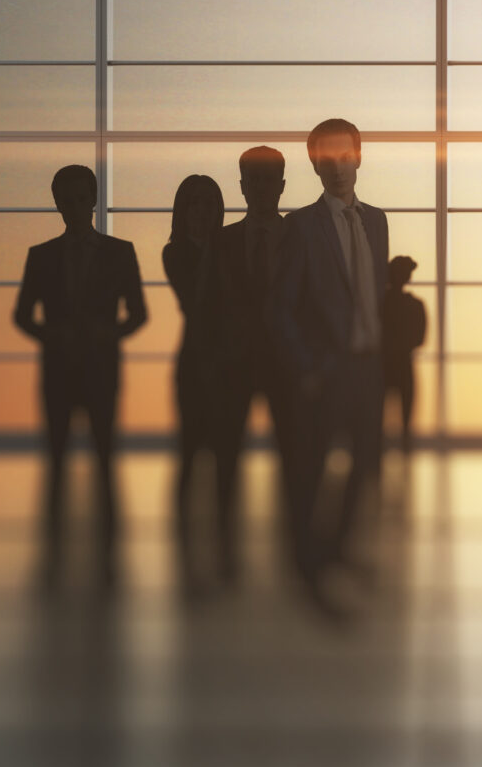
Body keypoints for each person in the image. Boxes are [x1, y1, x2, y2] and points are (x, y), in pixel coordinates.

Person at [274, 120, 392, 607]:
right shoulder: (300, 226)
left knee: (364, 465)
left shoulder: (378, 220)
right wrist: (309, 366)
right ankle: (308, 568)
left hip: (369, 366)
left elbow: (373, 294)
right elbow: (279, 306)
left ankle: (338, 550)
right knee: (314, 469)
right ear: (316, 165)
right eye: (328, 159)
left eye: (346, 156)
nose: (339, 168)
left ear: (359, 157)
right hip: (327, 368)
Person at [13, 166, 147, 587]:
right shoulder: (42, 255)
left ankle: (107, 556)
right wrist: (53, 335)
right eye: (65, 200)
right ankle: (55, 552)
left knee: (104, 461)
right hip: (60, 371)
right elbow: (21, 315)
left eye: (79, 198)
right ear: (57, 204)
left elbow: (138, 314)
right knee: (57, 464)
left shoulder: (121, 251)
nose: (73, 207)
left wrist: (107, 333)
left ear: (92, 199)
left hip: (99, 370)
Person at [221, 146, 296, 567]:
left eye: (270, 181)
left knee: (293, 453)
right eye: (254, 181)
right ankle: (226, 542)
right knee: (228, 456)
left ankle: (293, 540)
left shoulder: (301, 239)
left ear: (282, 186)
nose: (262, 189)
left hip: (287, 363)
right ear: (243, 187)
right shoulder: (223, 240)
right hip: (236, 363)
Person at [163, 174, 240, 585]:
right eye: (194, 205)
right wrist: (214, 250)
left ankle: (227, 538)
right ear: (183, 211)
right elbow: (195, 302)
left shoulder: (231, 249)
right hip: (194, 364)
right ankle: (183, 537)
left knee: (227, 454)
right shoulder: (174, 253)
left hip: (228, 365)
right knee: (190, 451)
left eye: (209, 205)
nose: (201, 213)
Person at [381, 255, 426, 468]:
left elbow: (420, 337)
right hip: (399, 363)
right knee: (403, 410)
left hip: (387, 363)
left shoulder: (381, 302)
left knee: (388, 411)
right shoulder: (414, 305)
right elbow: (419, 337)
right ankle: (402, 447)